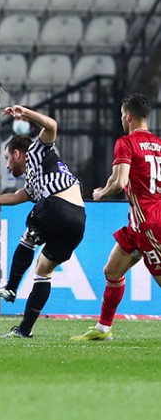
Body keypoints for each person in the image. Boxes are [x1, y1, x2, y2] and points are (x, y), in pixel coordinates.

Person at [0, 104, 86, 338]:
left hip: (57, 206)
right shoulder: (35, 176)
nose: (8, 165)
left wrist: (25, 113)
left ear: (18, 153)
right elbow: (21, 196)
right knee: (43, 269)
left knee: (28, 237)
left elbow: (52, 126)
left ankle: (10, 288)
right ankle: (24, 329)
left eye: (8, 158)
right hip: (78, 220)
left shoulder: (36, 152)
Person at [72, 93, 161, 342]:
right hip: (139, 223)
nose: (122, 120)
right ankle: (103, 329)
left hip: (149, 224)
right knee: (112, 271)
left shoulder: (126, 142)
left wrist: (102, 192)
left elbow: (120, 182)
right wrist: (107, 186)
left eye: (123, 116)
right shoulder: (157, 144)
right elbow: (119, 176)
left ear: (129, 117)